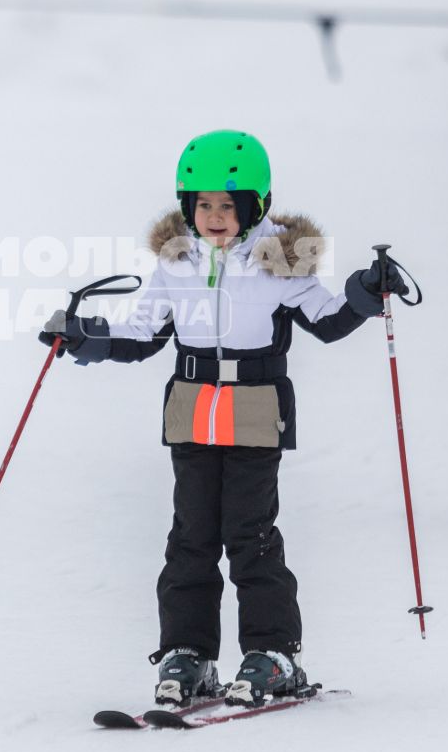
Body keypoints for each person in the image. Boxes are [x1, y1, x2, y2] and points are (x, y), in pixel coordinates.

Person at [38, 130, 409, 708]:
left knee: (249, 534)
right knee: (190, 536)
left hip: (255, 411)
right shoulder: (175, 263)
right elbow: (144, 335)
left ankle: (273, 653)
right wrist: (86, 337)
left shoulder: (281, 262)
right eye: (203, 203)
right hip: (191, 410)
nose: (214, 216)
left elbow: (329, 321)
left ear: (254, 205)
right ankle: (187, 653)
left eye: (228, 204)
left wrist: (366, 293)